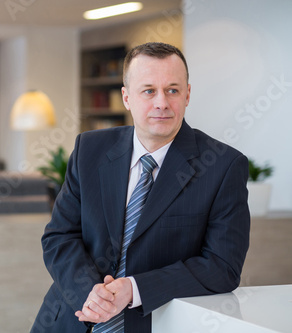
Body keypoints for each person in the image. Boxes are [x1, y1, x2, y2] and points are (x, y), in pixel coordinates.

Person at [31, 42, 250, 333]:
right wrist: (91, 293)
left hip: (156, 323)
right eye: (148, 90)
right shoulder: (89, 150)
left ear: (187, 95)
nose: (161, 102)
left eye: (172, 90)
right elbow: (60, 236)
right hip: (70, 319)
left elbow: (222, 266)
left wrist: (133, 289)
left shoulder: (223, 166)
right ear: (126, 97)